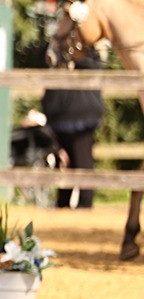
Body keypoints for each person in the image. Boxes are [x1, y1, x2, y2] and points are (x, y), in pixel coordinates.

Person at [42, 53, 104, 208]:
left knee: (83, 166)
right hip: (58, 123)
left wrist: (72, 59)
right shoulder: (56, 55)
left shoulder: (89, 59)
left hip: (81, 123)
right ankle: (62, 205)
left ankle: (85, 207)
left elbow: (94, 66)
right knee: (62, 167)